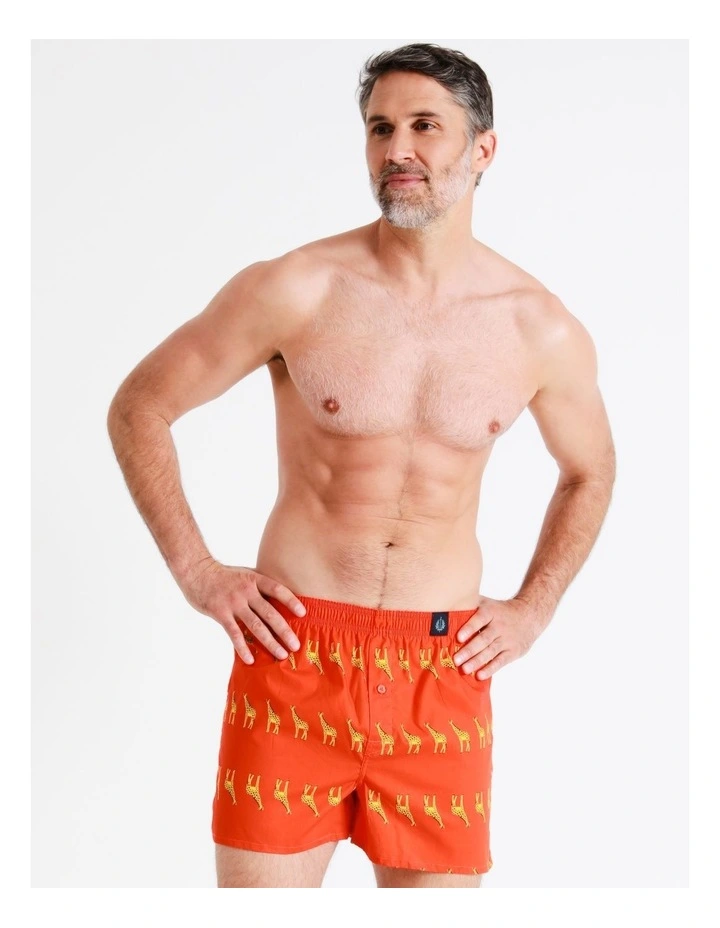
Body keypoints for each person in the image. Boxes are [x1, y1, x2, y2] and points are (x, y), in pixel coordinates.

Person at [107, 42, 616, 889]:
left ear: (483, 149)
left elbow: (590, 470)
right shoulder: (297, 287)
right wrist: (198, 571)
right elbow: (140, 406)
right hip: (292, 658)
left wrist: (534, 609)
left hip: (442, 673)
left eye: (425, 126)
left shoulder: (538, 327)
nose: (398, 150)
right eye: (380, 129)